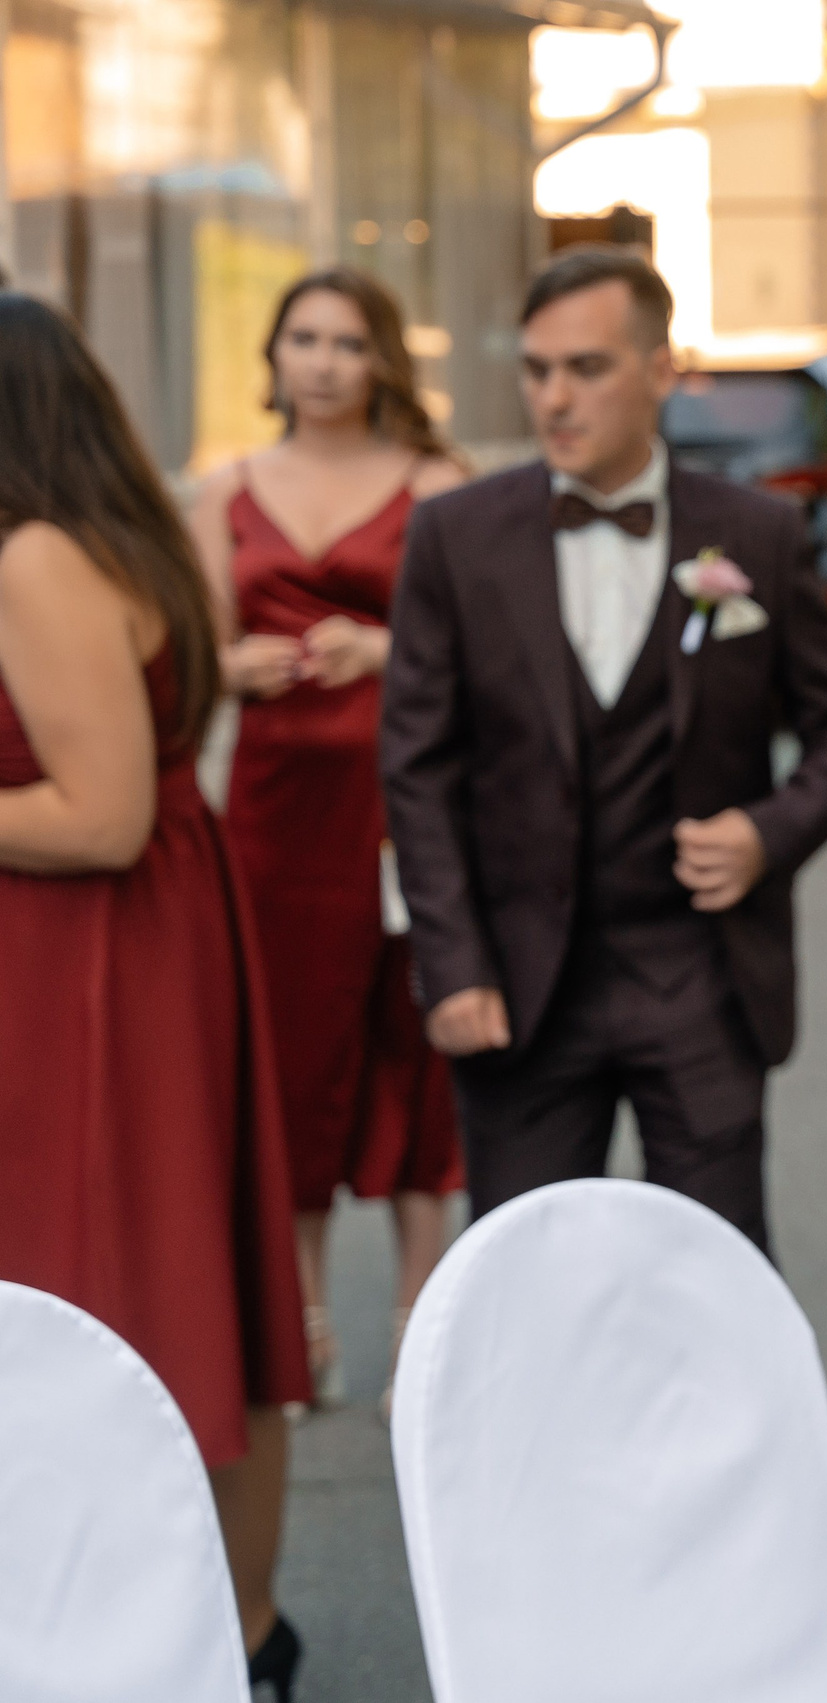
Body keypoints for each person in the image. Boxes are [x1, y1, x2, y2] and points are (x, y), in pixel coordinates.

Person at [380, 247, 827, 1253]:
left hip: (698, 973)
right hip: (519, 983)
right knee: (526, 1282)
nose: (554, 397)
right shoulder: (453, 537)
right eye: (536, 370)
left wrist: (764, 831)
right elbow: (416, 769)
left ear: (662, 369)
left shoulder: (759, 532)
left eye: (587, 368)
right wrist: (453, 962)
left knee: (715, 1277)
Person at [0, 293, 311, 1698]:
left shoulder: (37, 559)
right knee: (191, 1281)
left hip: (92, 959)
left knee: (102, 1282)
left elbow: (103, 812)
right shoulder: (120, 536)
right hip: (147, 942)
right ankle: (238, 1630)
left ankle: (189, 1633)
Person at [188, 268, 470, 1418]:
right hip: (273, 817)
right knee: (286, 1057)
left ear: (382, 360)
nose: (320, 361)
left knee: (417, 1047)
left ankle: (423, 1318)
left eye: (346, 341)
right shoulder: (222, 491)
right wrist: (230, 668)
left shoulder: (439, 486)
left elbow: (484, 655)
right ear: (273, 357)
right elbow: (183, 653)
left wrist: (389, 646)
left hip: (405, 812)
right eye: (301, 338)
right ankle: (297, 1319)